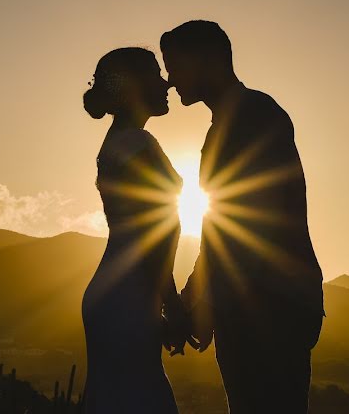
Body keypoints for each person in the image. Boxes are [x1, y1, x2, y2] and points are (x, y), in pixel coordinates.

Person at [160, 21, 324, 414]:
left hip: (272, 306)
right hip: (252, 307)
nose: (170, 80)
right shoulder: (229, 123)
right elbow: (219, 231)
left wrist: (207, 304)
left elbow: (256, 224)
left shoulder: (255, 116)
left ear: (208, 61)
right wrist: (191, 298)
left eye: (175, 66)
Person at [81, 47, 190, 414]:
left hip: (117, 293)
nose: (166, 84)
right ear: (134, 88)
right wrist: (173, 305)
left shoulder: (114, 144)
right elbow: (157, 231)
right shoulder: (137, 144)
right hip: (130, 296)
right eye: (156, 76)